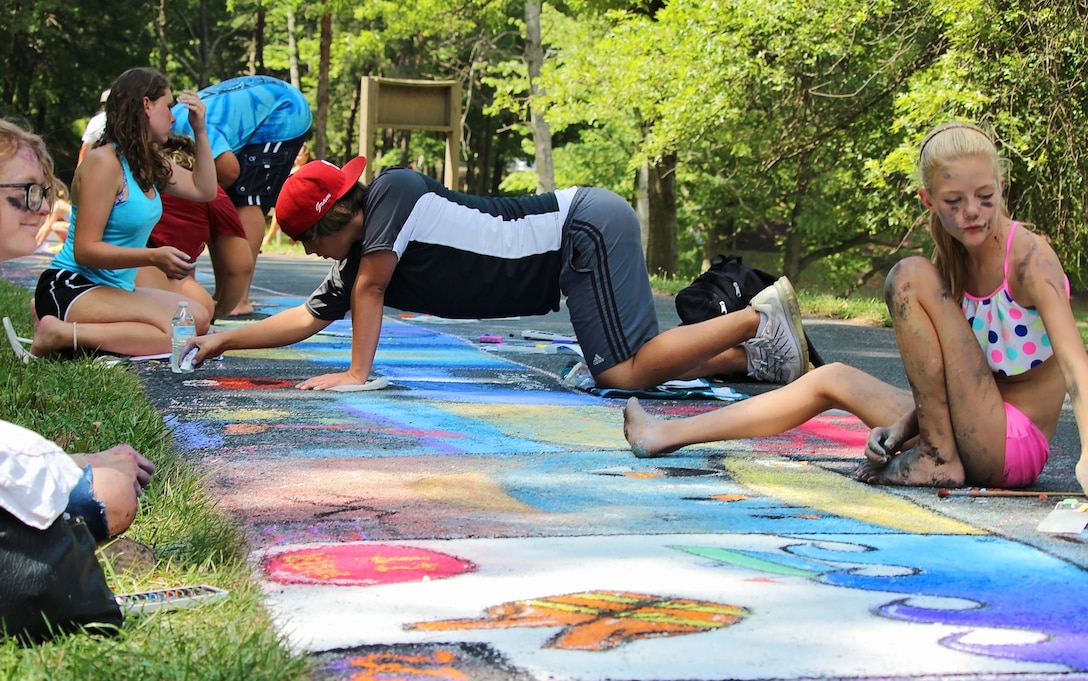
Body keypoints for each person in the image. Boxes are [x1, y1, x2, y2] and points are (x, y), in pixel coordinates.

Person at [624, 122, 1088, 494]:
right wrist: (902, 426)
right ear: (928, 200)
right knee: (830, 377)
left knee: (906, 275)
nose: (972, 212)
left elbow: (1076, 367)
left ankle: (936, 459)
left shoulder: (1028, 260)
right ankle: (665, 435)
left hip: (1010, 447)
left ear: (1002, 188)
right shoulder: (949, 262)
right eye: (954, 201)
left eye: (986, 198)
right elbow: (951, 380)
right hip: (967, 430)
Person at [183, 158, 812, 393]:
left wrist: (355, 374)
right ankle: (750, 359)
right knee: (617, 370)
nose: (314, 256)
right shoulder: (366, 252)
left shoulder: (394, 195)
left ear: (332, 220)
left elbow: (371, 289)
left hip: (582, 226)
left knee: (625, 370)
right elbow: (306, 317)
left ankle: (762, 317)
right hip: (579, 242)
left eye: (305, 243)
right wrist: (225, 338)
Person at [0, 117, 154, 545]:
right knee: (111, 495)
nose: (43, 207)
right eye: (26, 192)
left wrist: (73, 459)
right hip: (71, 290)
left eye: (44, 193)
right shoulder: (110, 163)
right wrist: (67, 466)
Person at [16, 67, 218, 361]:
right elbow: (85, 251)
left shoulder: (145, 163)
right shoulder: (104, 163)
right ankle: (58, 333)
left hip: (111, 288)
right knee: (176, 335)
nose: (174, 117)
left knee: (196, 319)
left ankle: (68, 326)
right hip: (73, 285)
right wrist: (152, 256)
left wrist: (200, 130)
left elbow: (205, 189)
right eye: (168, 106)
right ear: (146, 105)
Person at [170, 75, 313, 317]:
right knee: (218, 199)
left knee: (245, 196)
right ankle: (226, 293)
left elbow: (229, 171)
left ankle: (240, 298)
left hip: (284, 111)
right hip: (263, 105)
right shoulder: (169, 127)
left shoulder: (186, 128)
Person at [134, 135, 253, 322]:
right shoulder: (208, 192)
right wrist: (220, 310)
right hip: (153, 269)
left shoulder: (135, 178)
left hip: (116, 266)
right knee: (198, 312)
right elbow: (241, 266)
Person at [262, 143, 312, 248]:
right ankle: (271, 237)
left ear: (306, 156)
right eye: (296, 155)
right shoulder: (290, 168)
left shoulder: (307, 169)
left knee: (281, 209)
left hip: (303, 201)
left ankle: (271, 237)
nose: (296, 158)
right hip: (288, 198)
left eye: (300, 155)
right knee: (279, 208)